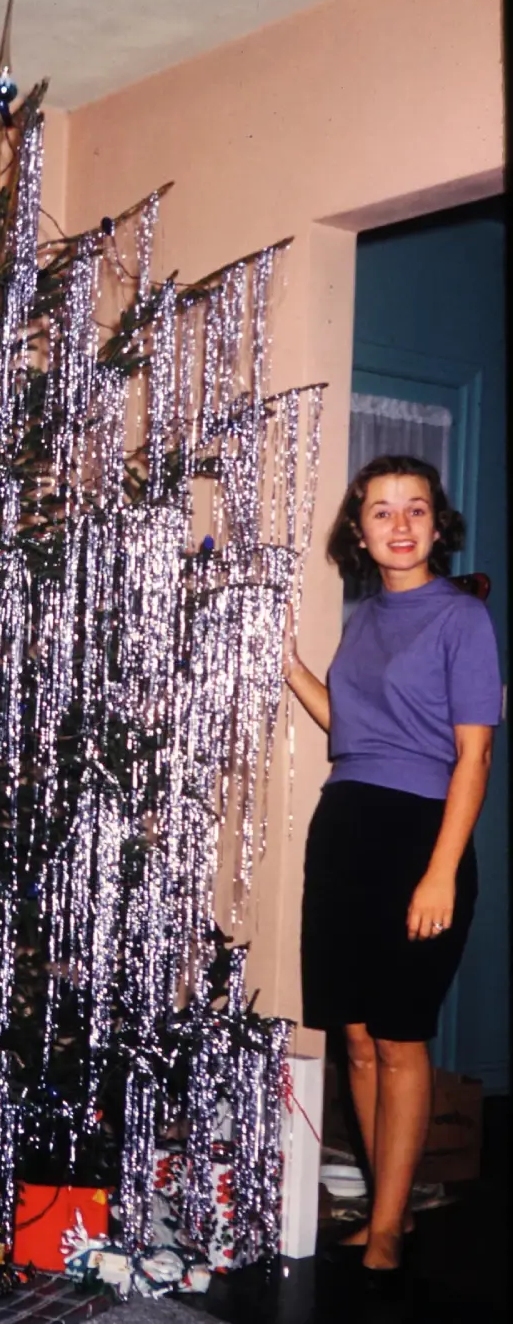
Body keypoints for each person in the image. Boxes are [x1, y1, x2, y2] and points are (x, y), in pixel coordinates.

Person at [284, 454, 502, 1286]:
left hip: (421, 837)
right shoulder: (367, 619)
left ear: (437, 526)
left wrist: (441, 872)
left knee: (402, 1039)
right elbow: (356, 731)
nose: (400, 525)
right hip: (344, 830)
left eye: (416, 509)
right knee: (358, 1041)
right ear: (361, 532)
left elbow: (473, 757)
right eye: (382, 512)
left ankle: (385, 1231)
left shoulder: (462, 619)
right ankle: (392, 1204)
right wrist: (293, 669)